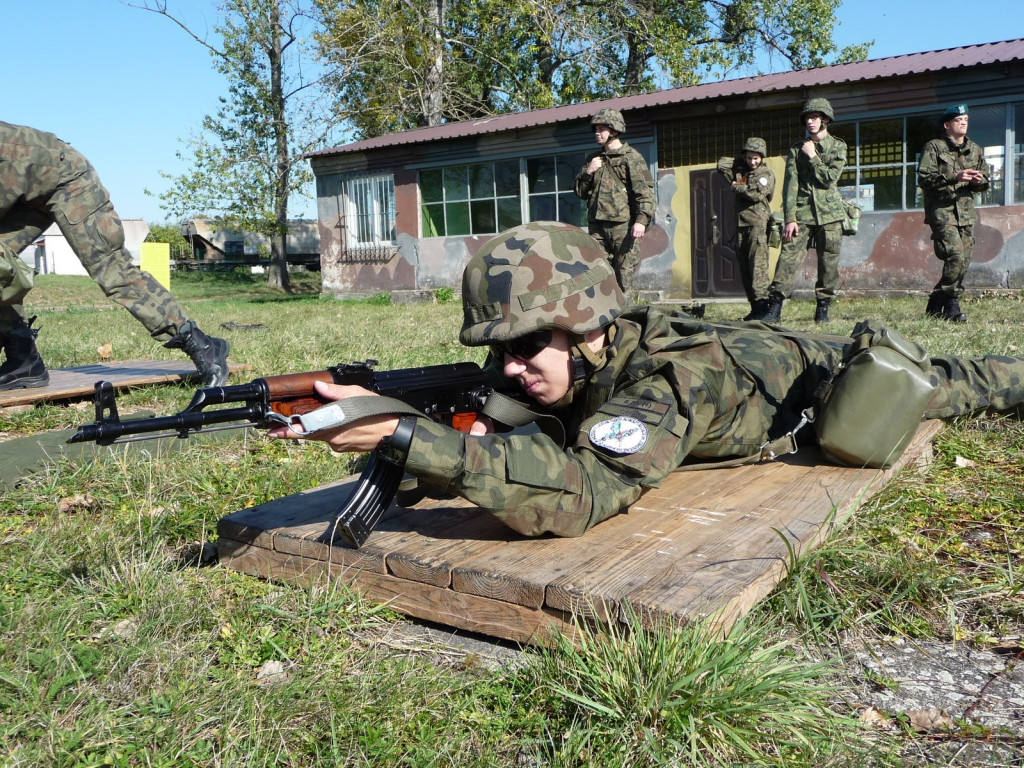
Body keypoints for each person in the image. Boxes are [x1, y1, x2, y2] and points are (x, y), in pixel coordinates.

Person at [268, 220, 1024, 539]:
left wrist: (408, 436)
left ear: (592, 328)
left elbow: (582, 495)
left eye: (529, 346)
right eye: (499, 353)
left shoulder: (670, 382)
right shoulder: (572, 359)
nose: (511, 369)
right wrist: (412, 434)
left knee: (965, 381)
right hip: (744, 350)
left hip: (825, 378)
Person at [0, 120, 230, 391]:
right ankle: (23, 359)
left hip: (66, 177)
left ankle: (200, 344)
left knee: (111, 268)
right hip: (24, 191)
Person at [760, 98, 848, 324]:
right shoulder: (796, 149)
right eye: (808, 117)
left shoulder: (838, 146)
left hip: (830, 215)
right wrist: (790, 218)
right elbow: (791, 185)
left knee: (829, 263)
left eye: (815, 117)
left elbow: (829, 179)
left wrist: (813, 156)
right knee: (787, 258)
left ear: (825, 120)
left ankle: (823, 310)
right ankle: (775, 308)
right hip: (802, 213)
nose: (811, 121)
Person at [917, 103, 989, 323]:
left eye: (966, 119)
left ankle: (935, 302)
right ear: (947, 125)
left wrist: (979, 181)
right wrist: (954, 177)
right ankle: (951, 306)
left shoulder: (975, 149)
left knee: (963, 262)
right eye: (959, 120)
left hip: (966, 213)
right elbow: (924, 178)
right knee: (955, 257)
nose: (964, 122)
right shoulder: (934, 147)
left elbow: (985, 180)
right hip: (943, 212)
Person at [573, 108, 656, 297]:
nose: (597, 133)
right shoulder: (594, 160)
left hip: (622, 227)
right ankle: (602, 322)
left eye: (602, 129)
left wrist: (642, 220)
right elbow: (579, 192)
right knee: (598, 274)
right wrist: (589, 172)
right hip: (597, 227)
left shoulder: (631, 158)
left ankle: (626, 322)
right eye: (596, 129)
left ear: (615, 130)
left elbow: (645, 192)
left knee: (624, 277)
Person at [716, 137, 776, 321]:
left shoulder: (765, 174)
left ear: (762, 157)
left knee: (758, 268)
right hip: (741, 225)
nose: (753, 162)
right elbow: (721, 164)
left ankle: (763, 307)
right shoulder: (742, 171)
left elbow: (756, 194)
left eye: (756, 158)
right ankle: (754, 308)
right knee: (745, 270)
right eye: (749, 158)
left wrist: (738, 187)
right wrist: (741, 164)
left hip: (757, 226)